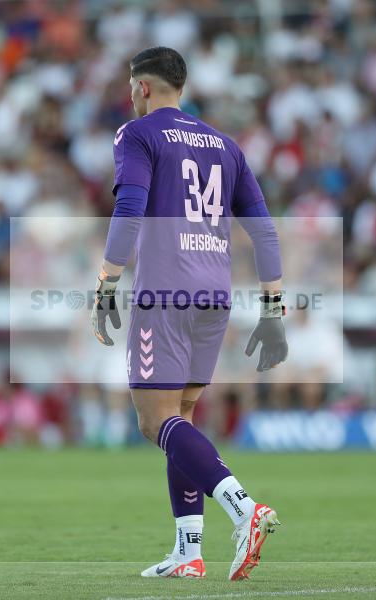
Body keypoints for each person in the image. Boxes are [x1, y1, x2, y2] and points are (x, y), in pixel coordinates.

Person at [91, 47, 286, 581]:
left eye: (132, 88)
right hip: (215, 296)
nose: (131, 97)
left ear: (144, 88)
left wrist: (106, 281)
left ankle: (245, 509)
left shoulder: (138, 135)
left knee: (154, 421)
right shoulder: (226, 145)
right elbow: (265, 231)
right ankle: (188, 550)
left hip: (165, 295)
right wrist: (273, 311)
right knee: (181, 419)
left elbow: (129, 208)